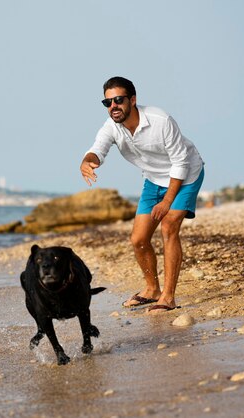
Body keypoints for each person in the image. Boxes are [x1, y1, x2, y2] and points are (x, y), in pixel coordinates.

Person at [80, 76, 204, 313]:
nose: (113, 106)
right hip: (153, 180)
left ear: (133, 100)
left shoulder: (160, 120)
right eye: (108, 103)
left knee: (168, 227)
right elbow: (98, 149)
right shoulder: (112, 127)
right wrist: (87, 161)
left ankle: (167, 297)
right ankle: (152, 290)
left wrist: (168, 201)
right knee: (138, 239)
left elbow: (181, 161)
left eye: (118, 100)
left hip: (186, 174)